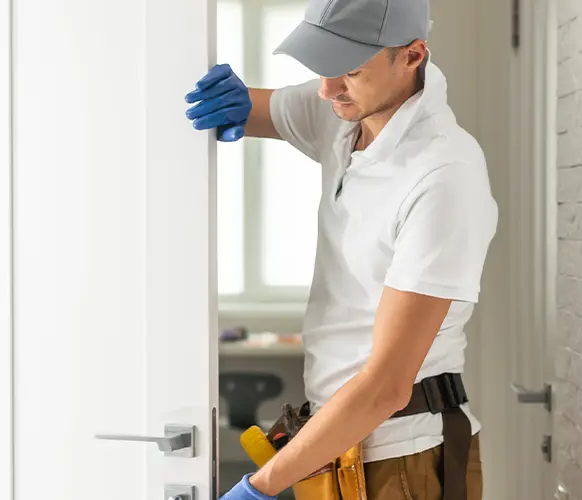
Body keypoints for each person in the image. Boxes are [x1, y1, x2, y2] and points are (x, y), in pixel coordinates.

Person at [186, 0, 497, 498]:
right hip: (334, 445)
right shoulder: (343, 110)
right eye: (321, 67)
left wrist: (259, 488)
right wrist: (228, 99)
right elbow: (258, 107)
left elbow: (386, 386)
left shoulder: (443, 174)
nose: (327, 89)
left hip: (403, 457)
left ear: (413, 55)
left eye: (349, 69)